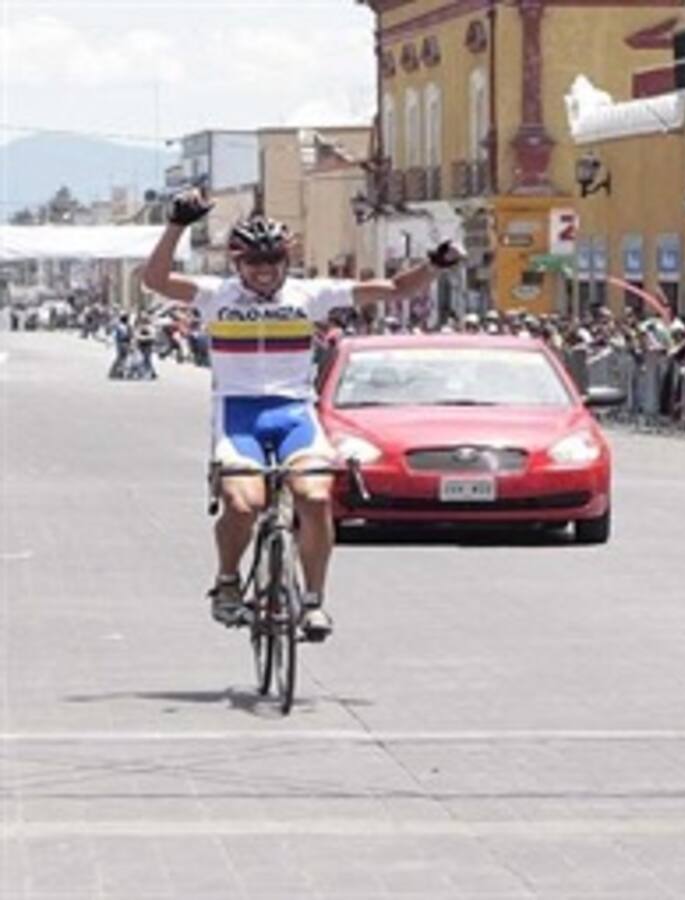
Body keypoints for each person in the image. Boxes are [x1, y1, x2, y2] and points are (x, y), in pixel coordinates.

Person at [141, 190, 462, 639]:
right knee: (242, 503)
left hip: (294, 411)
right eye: (254, 262)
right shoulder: (216, 295)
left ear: (285, 261)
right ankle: (229, 580)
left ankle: (313, 601)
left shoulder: (310, 295)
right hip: (238, 413)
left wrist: (435, 265)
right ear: (238, 265)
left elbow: (395, 290)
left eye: (273, 260)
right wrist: (177, 225)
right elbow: (155, 279)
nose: (265, 270)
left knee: (313, 498)